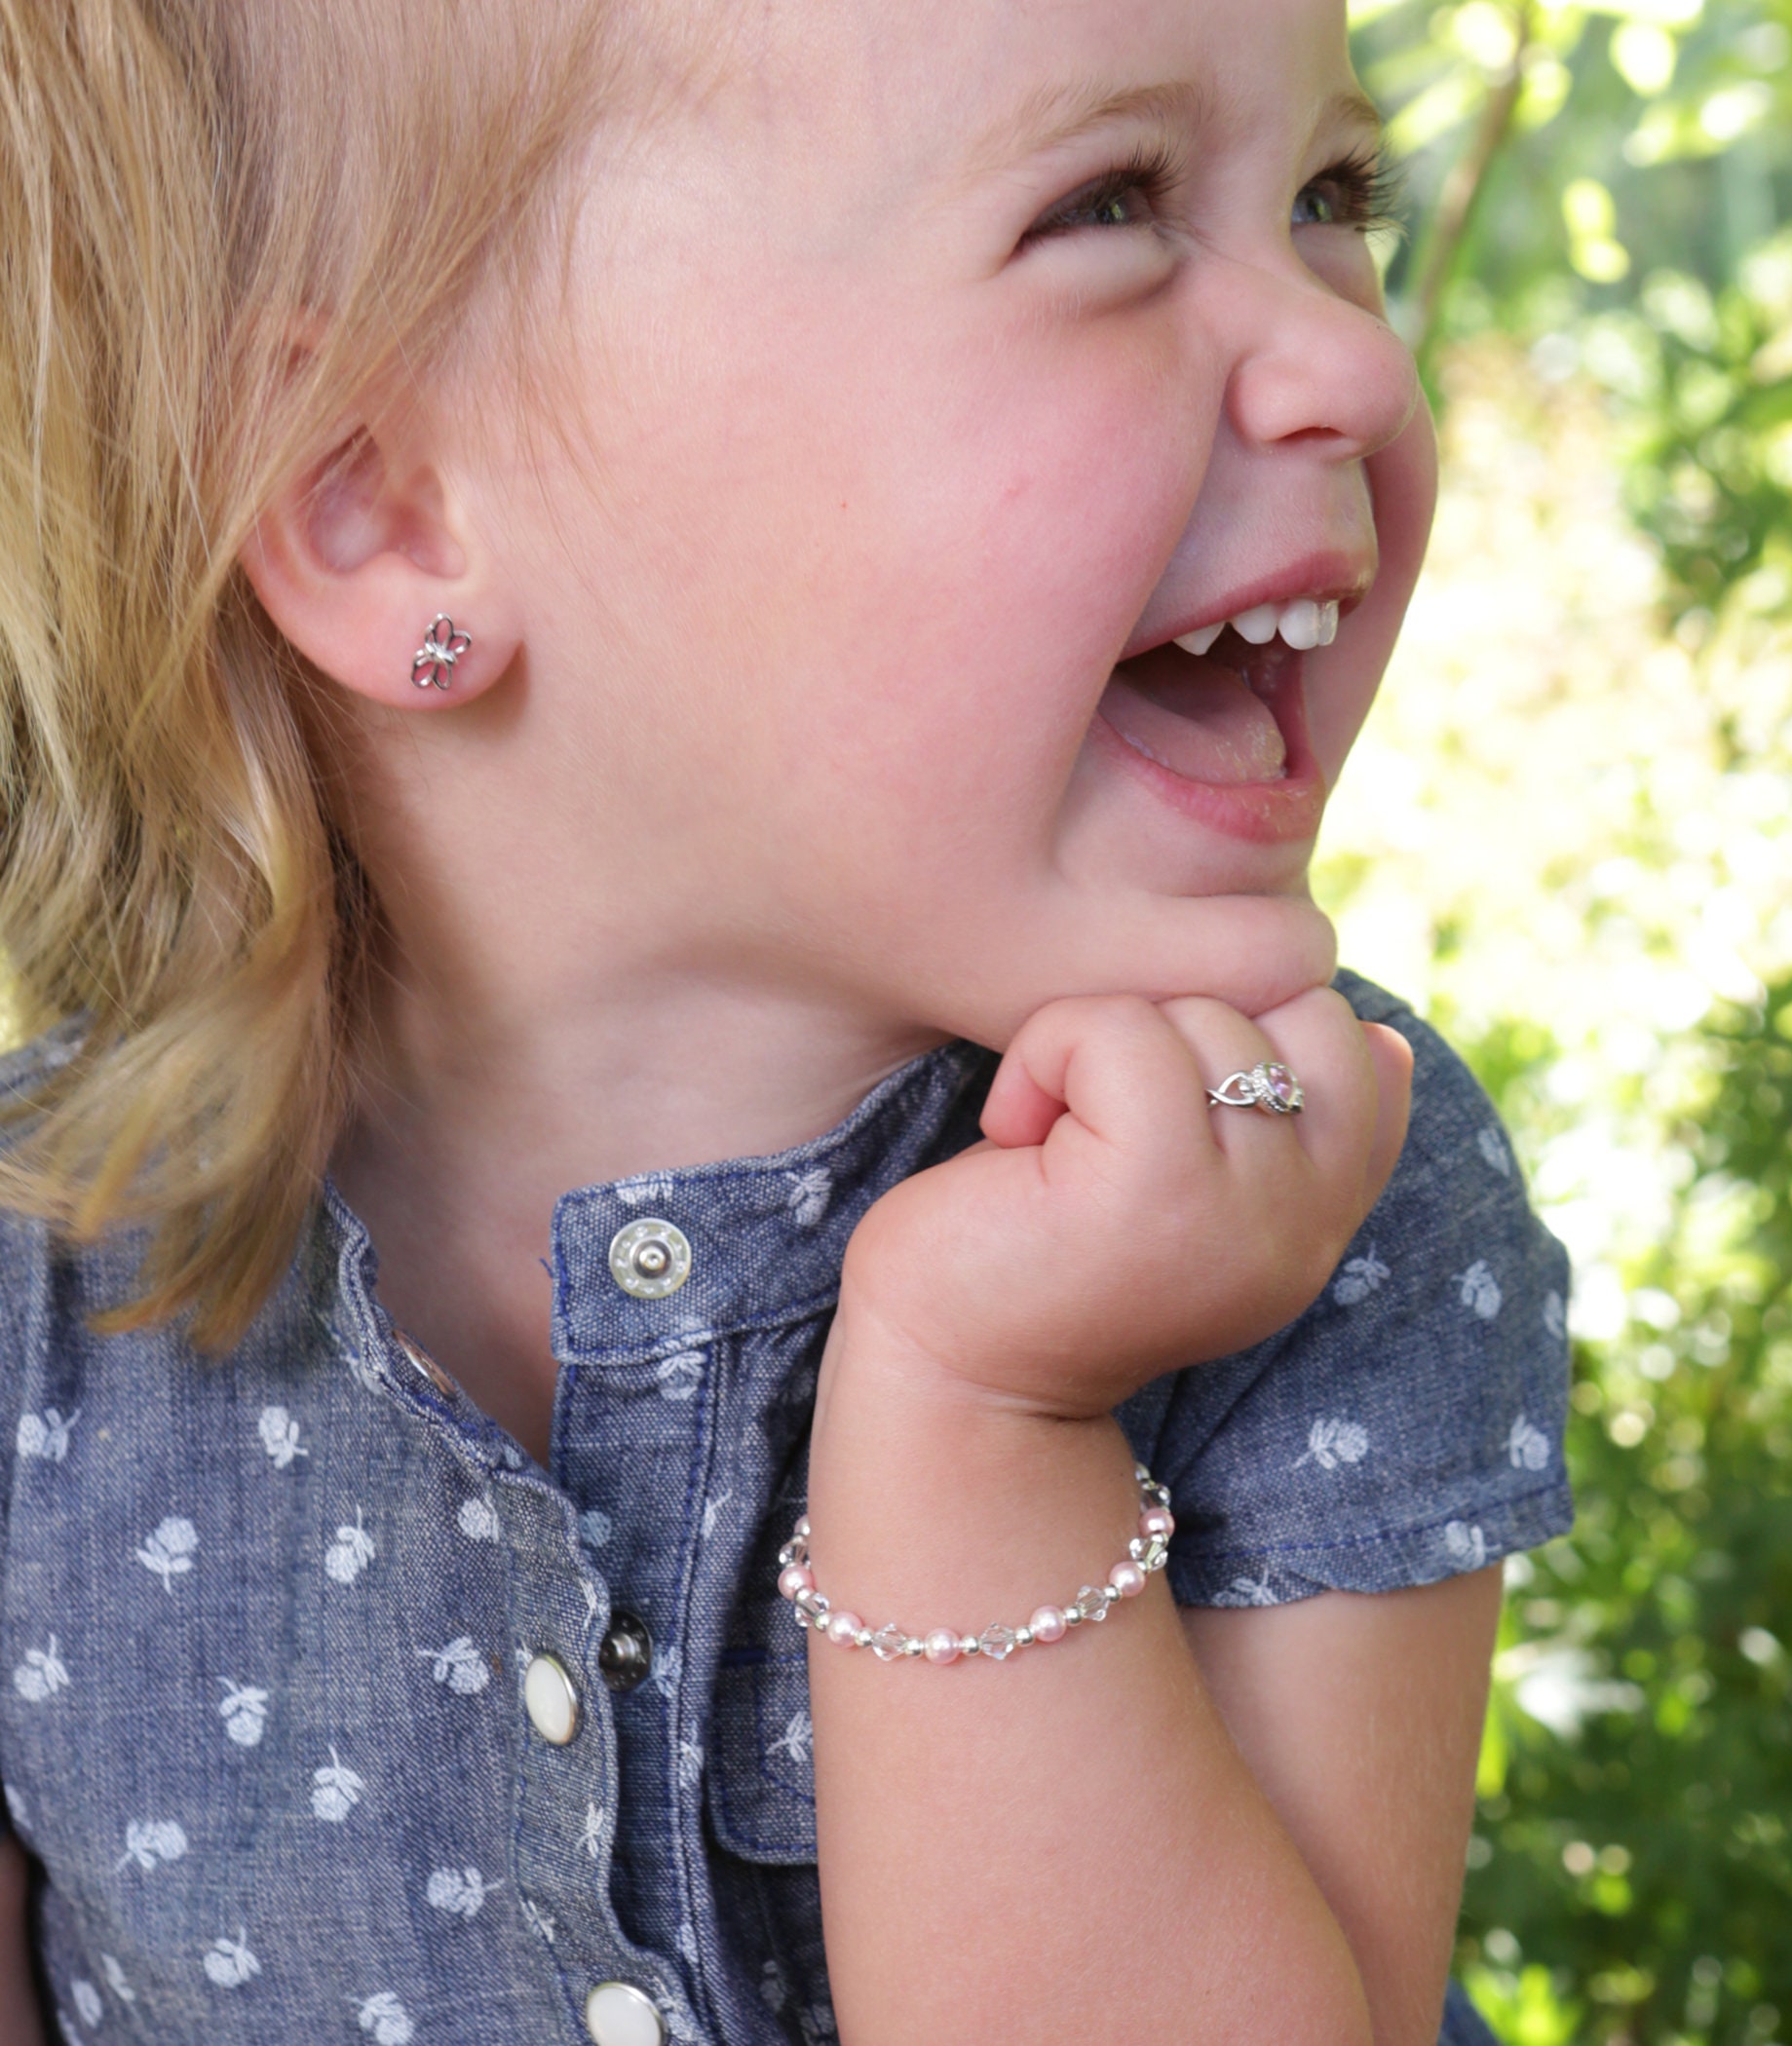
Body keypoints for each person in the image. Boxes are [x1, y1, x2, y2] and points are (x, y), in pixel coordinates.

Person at [0, 3, 1573, 2042]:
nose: (1363, 358)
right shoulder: (41, 1306)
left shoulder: (1306, 1185)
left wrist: (990, 1419)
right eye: (1105, 205)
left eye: (1327, 197)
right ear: (386, 509)